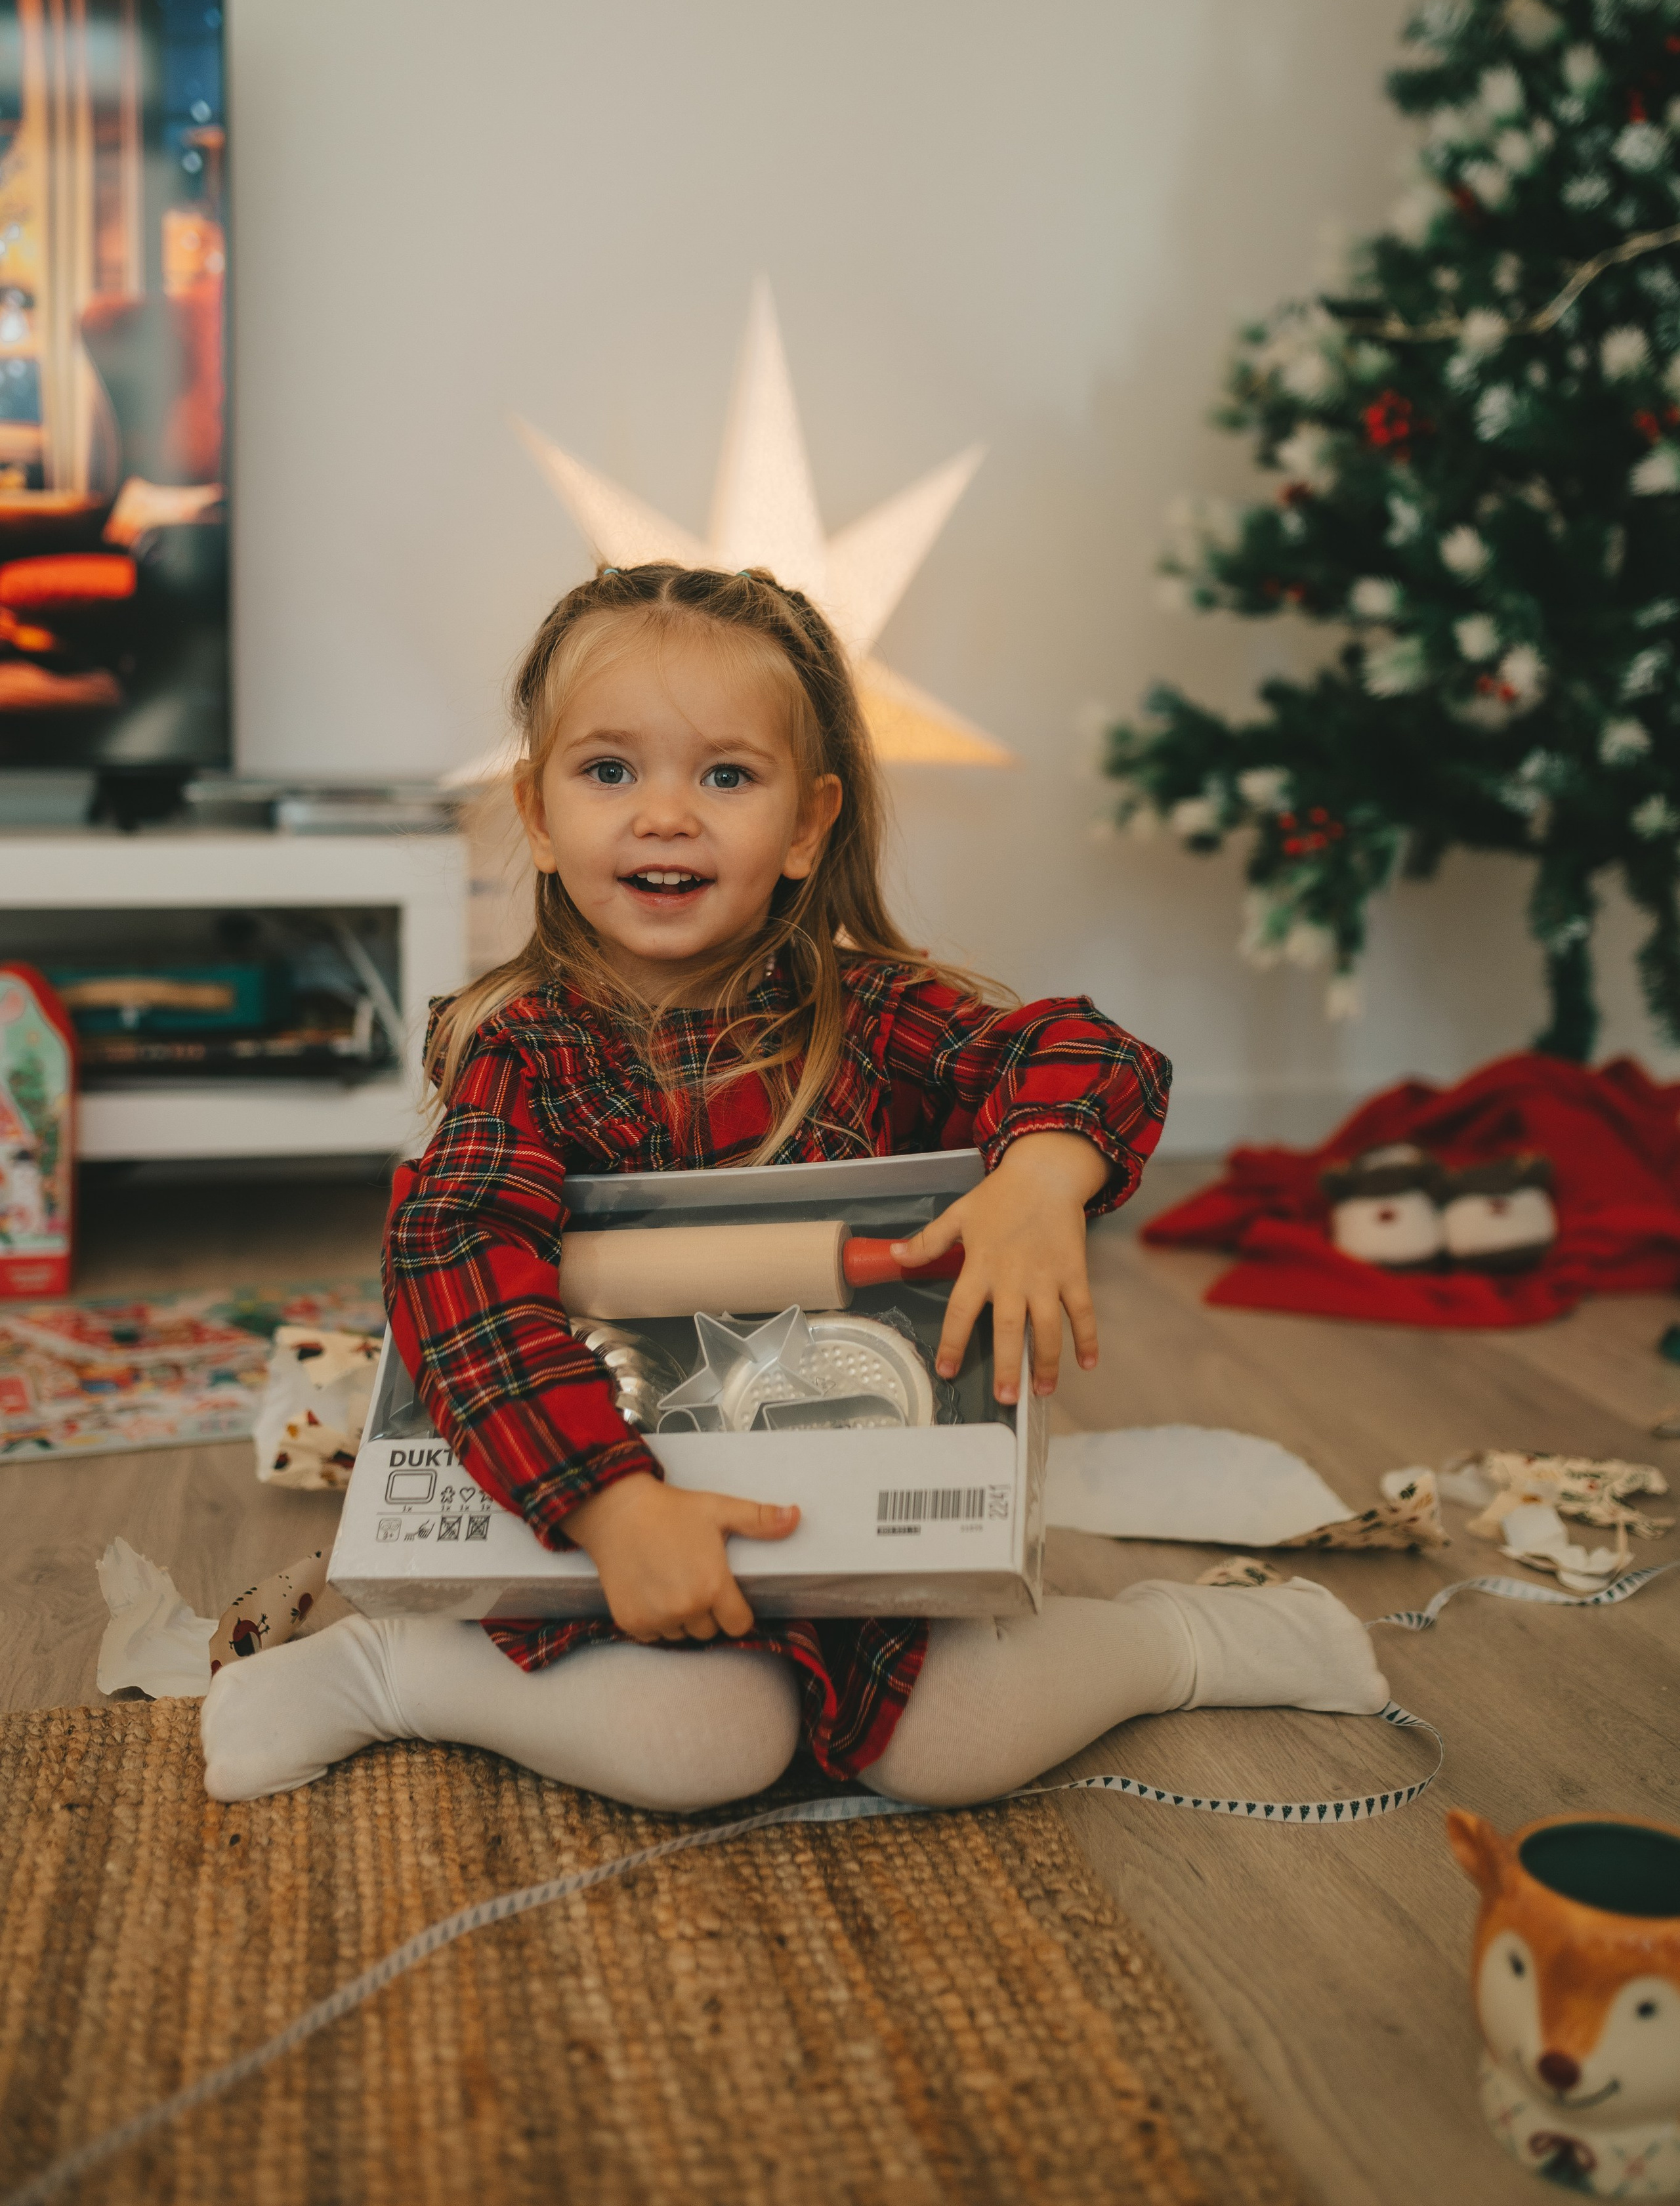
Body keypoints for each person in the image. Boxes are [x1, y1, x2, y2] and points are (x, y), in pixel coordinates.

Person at [202, 563, 1385, 1808]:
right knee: (703, 1744)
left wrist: (1043, 1175)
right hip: (603, 1507)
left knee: (946, 1750)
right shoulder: (524, 1047)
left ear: (808, 825)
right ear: (538, 817)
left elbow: (1082, 1054)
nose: (666, 815)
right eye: (610, 771)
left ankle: (1177, 1644)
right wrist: (608, 1509)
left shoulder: (863, 1011)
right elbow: (454, 1266)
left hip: (841, 1509)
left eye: (727, 775)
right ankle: (397, 1671)